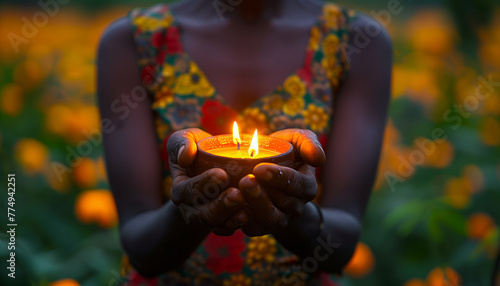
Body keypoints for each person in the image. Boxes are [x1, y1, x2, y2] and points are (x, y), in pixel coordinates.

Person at [97, 0, 392, 284]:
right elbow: (141, 248)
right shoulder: (136, 41)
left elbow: (340, 247)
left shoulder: (355, 41)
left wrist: (292, 213)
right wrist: (189, 208)